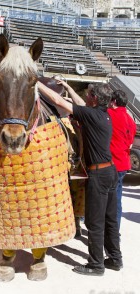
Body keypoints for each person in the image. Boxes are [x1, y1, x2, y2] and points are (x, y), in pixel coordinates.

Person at [38, 80, 123, 276]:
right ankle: (115, 259)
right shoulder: (102, 114)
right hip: (110, 171)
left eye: (89, 93)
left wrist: (35, 82)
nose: (86, 95)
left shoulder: (91, 114)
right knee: (110, 220)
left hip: (99, 175)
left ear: (94, 99)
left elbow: (57, 100)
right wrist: (68, 88)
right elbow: (80, 104)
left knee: (94, 222)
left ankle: (96, 265)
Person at [108, 90, 136, 231]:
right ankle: (115, 232)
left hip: (111, 164)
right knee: (117, 200)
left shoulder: (109, 114)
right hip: (123, 164)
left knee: (106, 202)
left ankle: (109, 234)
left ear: (113, 102)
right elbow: (130, 142)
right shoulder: (130, 120)